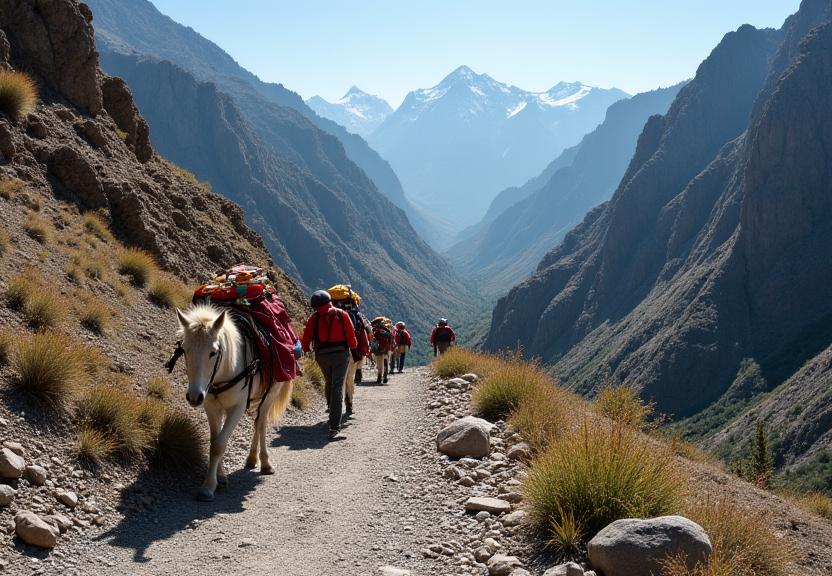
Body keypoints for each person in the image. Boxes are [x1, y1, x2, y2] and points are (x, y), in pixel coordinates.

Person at [301, 290, 359, 439]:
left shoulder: (314, 318)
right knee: (338, 387)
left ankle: (330, 409)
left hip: (322, 356)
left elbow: (306, 339)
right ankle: (334, 427)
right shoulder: (341, 314)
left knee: (329, 382)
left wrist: (306, 351)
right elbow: (351, 335)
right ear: (329, 301)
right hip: (341, 355)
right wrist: (354, 349)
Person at [370, 317, 393, 384]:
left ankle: (379, 377)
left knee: (379, 363)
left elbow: (373, 337)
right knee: (386, 361)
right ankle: (385, 376)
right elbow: (391, 338)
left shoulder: (376, 329)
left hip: (379, 348)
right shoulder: (388, 329)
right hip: (387, 347)